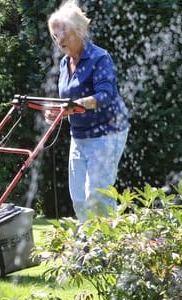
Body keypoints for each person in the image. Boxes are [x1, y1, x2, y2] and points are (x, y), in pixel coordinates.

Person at [46, 0, 129, 223]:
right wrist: (56, 111)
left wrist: (73, 107)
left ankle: (106, 249)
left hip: (107, 133)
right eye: (55, 36)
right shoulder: (65, 63)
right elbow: (68, 101)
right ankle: (88, 247)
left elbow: (106, 95)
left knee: (97, 195)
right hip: (80, 136)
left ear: (80, 31)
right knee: (79, 198)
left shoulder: (100, 58)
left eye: (63, 33)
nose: (59, 39)